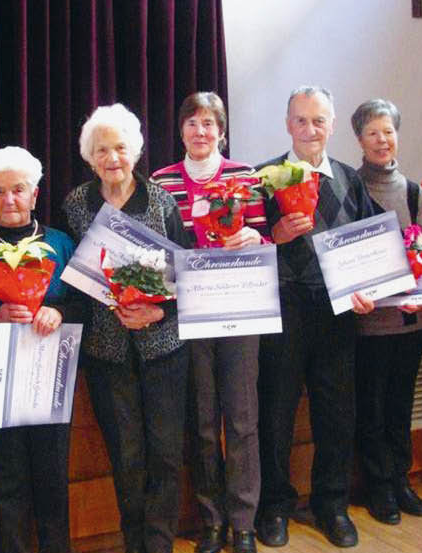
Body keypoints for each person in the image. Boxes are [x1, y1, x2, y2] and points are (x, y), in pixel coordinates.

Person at [61, 104, 191, 553]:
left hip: (163, 350)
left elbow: (187, 276)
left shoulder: (161, 201)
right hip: (106, 352)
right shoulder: (76, 205)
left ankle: (159, 545)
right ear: (89, 156)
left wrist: (160, 314)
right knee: (127, 457)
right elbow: (73, 282)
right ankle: (134, 542)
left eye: (120, 147)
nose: (112, 157)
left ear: (134, 151)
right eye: (102, 150)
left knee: (166, 455)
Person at [254, 86, 377, 549]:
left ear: (331, 124)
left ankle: (332, 504)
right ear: (288, 124)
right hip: (283, 309)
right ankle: (275, 507)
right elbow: (240, 247)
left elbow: (367, 246)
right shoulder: (263, 177)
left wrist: (369, 288)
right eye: (301, 120)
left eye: (319, 120)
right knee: (276, 412)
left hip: (336, 311)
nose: (310, 129)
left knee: (336, 413)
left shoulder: (349, 177)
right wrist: (275, 234)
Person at [149, 92, 266, 553]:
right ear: (181, 130)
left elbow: (261, 235)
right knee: (200, 422)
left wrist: (252, 234)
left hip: (240, 306)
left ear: (222, 131)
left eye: (209, 124)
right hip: (189, 310)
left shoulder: (245, 176)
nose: (201, 132)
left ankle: (243, 523)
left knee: (242, 418)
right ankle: (210, 521)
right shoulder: (160, 180)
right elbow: (156, 249)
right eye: (192, 123)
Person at [0, 146, 78, 553]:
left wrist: (59, 310)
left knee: (52, 475)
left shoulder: (62, 244)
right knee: (7, 477)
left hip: (51, 374)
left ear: (35, 194)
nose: (8, 199)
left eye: (18, 189)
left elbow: (89, 304)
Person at [349, 99, 422, 525]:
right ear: (359, 140)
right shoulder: (349, 187)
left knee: (401, 405)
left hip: (412, 318)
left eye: (388, 131)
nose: (382, 140)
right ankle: (377, 485)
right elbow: (345, 255)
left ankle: (401, 480)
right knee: (373, 406)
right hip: (370, 321)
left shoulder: (415, 190)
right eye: (372, 133)